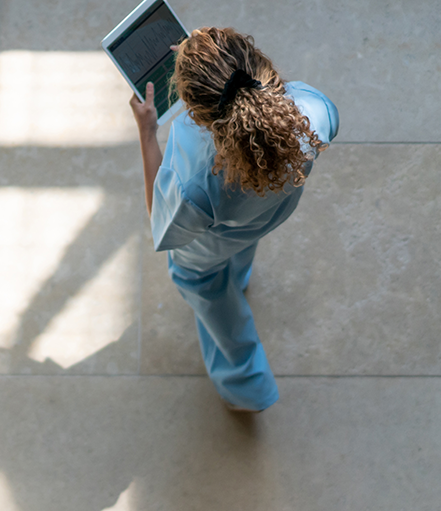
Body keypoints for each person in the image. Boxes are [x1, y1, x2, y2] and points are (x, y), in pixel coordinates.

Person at [128, 27, 339, 412]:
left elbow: (163, 223)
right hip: (269, 213)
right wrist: (213, 60)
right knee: (241, 246)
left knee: (207, 290)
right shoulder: (314, 111)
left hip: (209, 245)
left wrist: (147, 132)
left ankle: (248, 387)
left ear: (196, 113)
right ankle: (239, 278)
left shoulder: (195, 176)